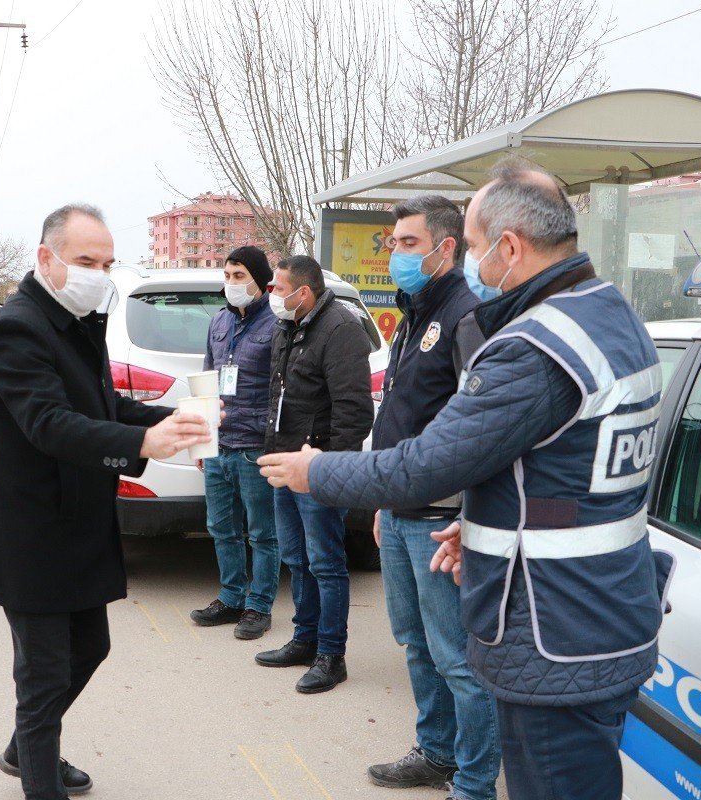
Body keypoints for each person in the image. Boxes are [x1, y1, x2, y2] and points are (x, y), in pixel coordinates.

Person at [259, 158, 673, 800]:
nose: (474, 267)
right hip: (606, 609)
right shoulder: (610, 312)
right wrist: (486, 522)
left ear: (510, 246)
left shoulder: (538, 347)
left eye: (476, 249)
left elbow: (430, 464)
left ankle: (470, 781)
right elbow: (584, 489)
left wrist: (317, 470)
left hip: (555, 631)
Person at [0, 203, 212, 800]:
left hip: (80, 525)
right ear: (45, 258)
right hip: (34, 533)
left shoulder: (79, 320)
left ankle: (24, 747)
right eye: (86, 261)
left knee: (92, 646)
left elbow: (101, 409)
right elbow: (49, 424)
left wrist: (176, 420)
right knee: (43, 673)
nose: (98, 274)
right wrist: (142, 443)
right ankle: (38, 769)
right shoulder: (18, 327)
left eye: (106, 263)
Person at [365, 196, 500, 800]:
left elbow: (486, 427)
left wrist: (472, 516)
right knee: (415, 644)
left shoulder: (467, 316)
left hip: (441, 520)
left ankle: (473, 781)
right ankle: (437, 750)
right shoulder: (415, 310)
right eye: (393, 243)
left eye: (408, 244)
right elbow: (401, 415)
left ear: (447, 248)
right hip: (399, 511)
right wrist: (381, 498)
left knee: (458, 661)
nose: (395, 254)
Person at [254, 255, 374, 694]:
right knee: (297, 558)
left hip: (319, 469)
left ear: (302, 292)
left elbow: (354, 412)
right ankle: (304, 639)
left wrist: (329, 468)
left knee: (325, 562)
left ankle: (330, 654)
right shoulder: (289, 325)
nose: (271, 295)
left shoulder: (339, 330)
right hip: (285, 464)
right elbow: (280, 395)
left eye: (276, 287)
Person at [189, 245, 279, 639]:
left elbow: (282, 389)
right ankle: (231, 597)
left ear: (260, 281)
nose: (231, 284)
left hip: (256, 446)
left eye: (239, 277)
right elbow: (208, 381)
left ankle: (259, 607)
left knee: (262, 532)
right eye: (227, 276)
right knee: (221, 527)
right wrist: (203, 440)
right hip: (220, 445)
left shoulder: (277, 324)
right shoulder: (218, 323)